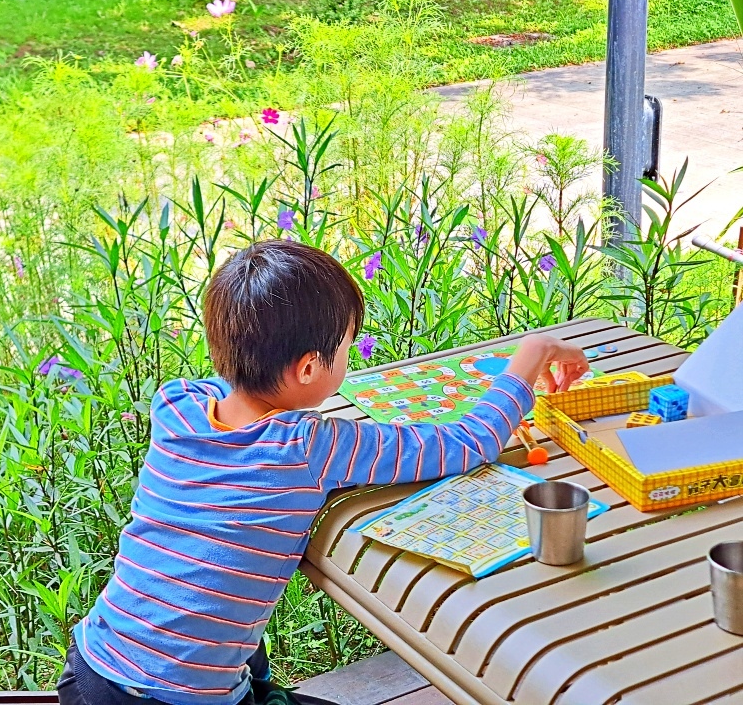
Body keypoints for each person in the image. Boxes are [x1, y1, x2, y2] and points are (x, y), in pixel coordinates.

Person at [57, 240, 589, 705]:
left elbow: (230, 392)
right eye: (346, 351)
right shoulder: (309, 445)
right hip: (183, 699)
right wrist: (530, 356)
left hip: (91, 669)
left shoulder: (178, 407)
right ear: (310, 367)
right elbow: (467, 442)